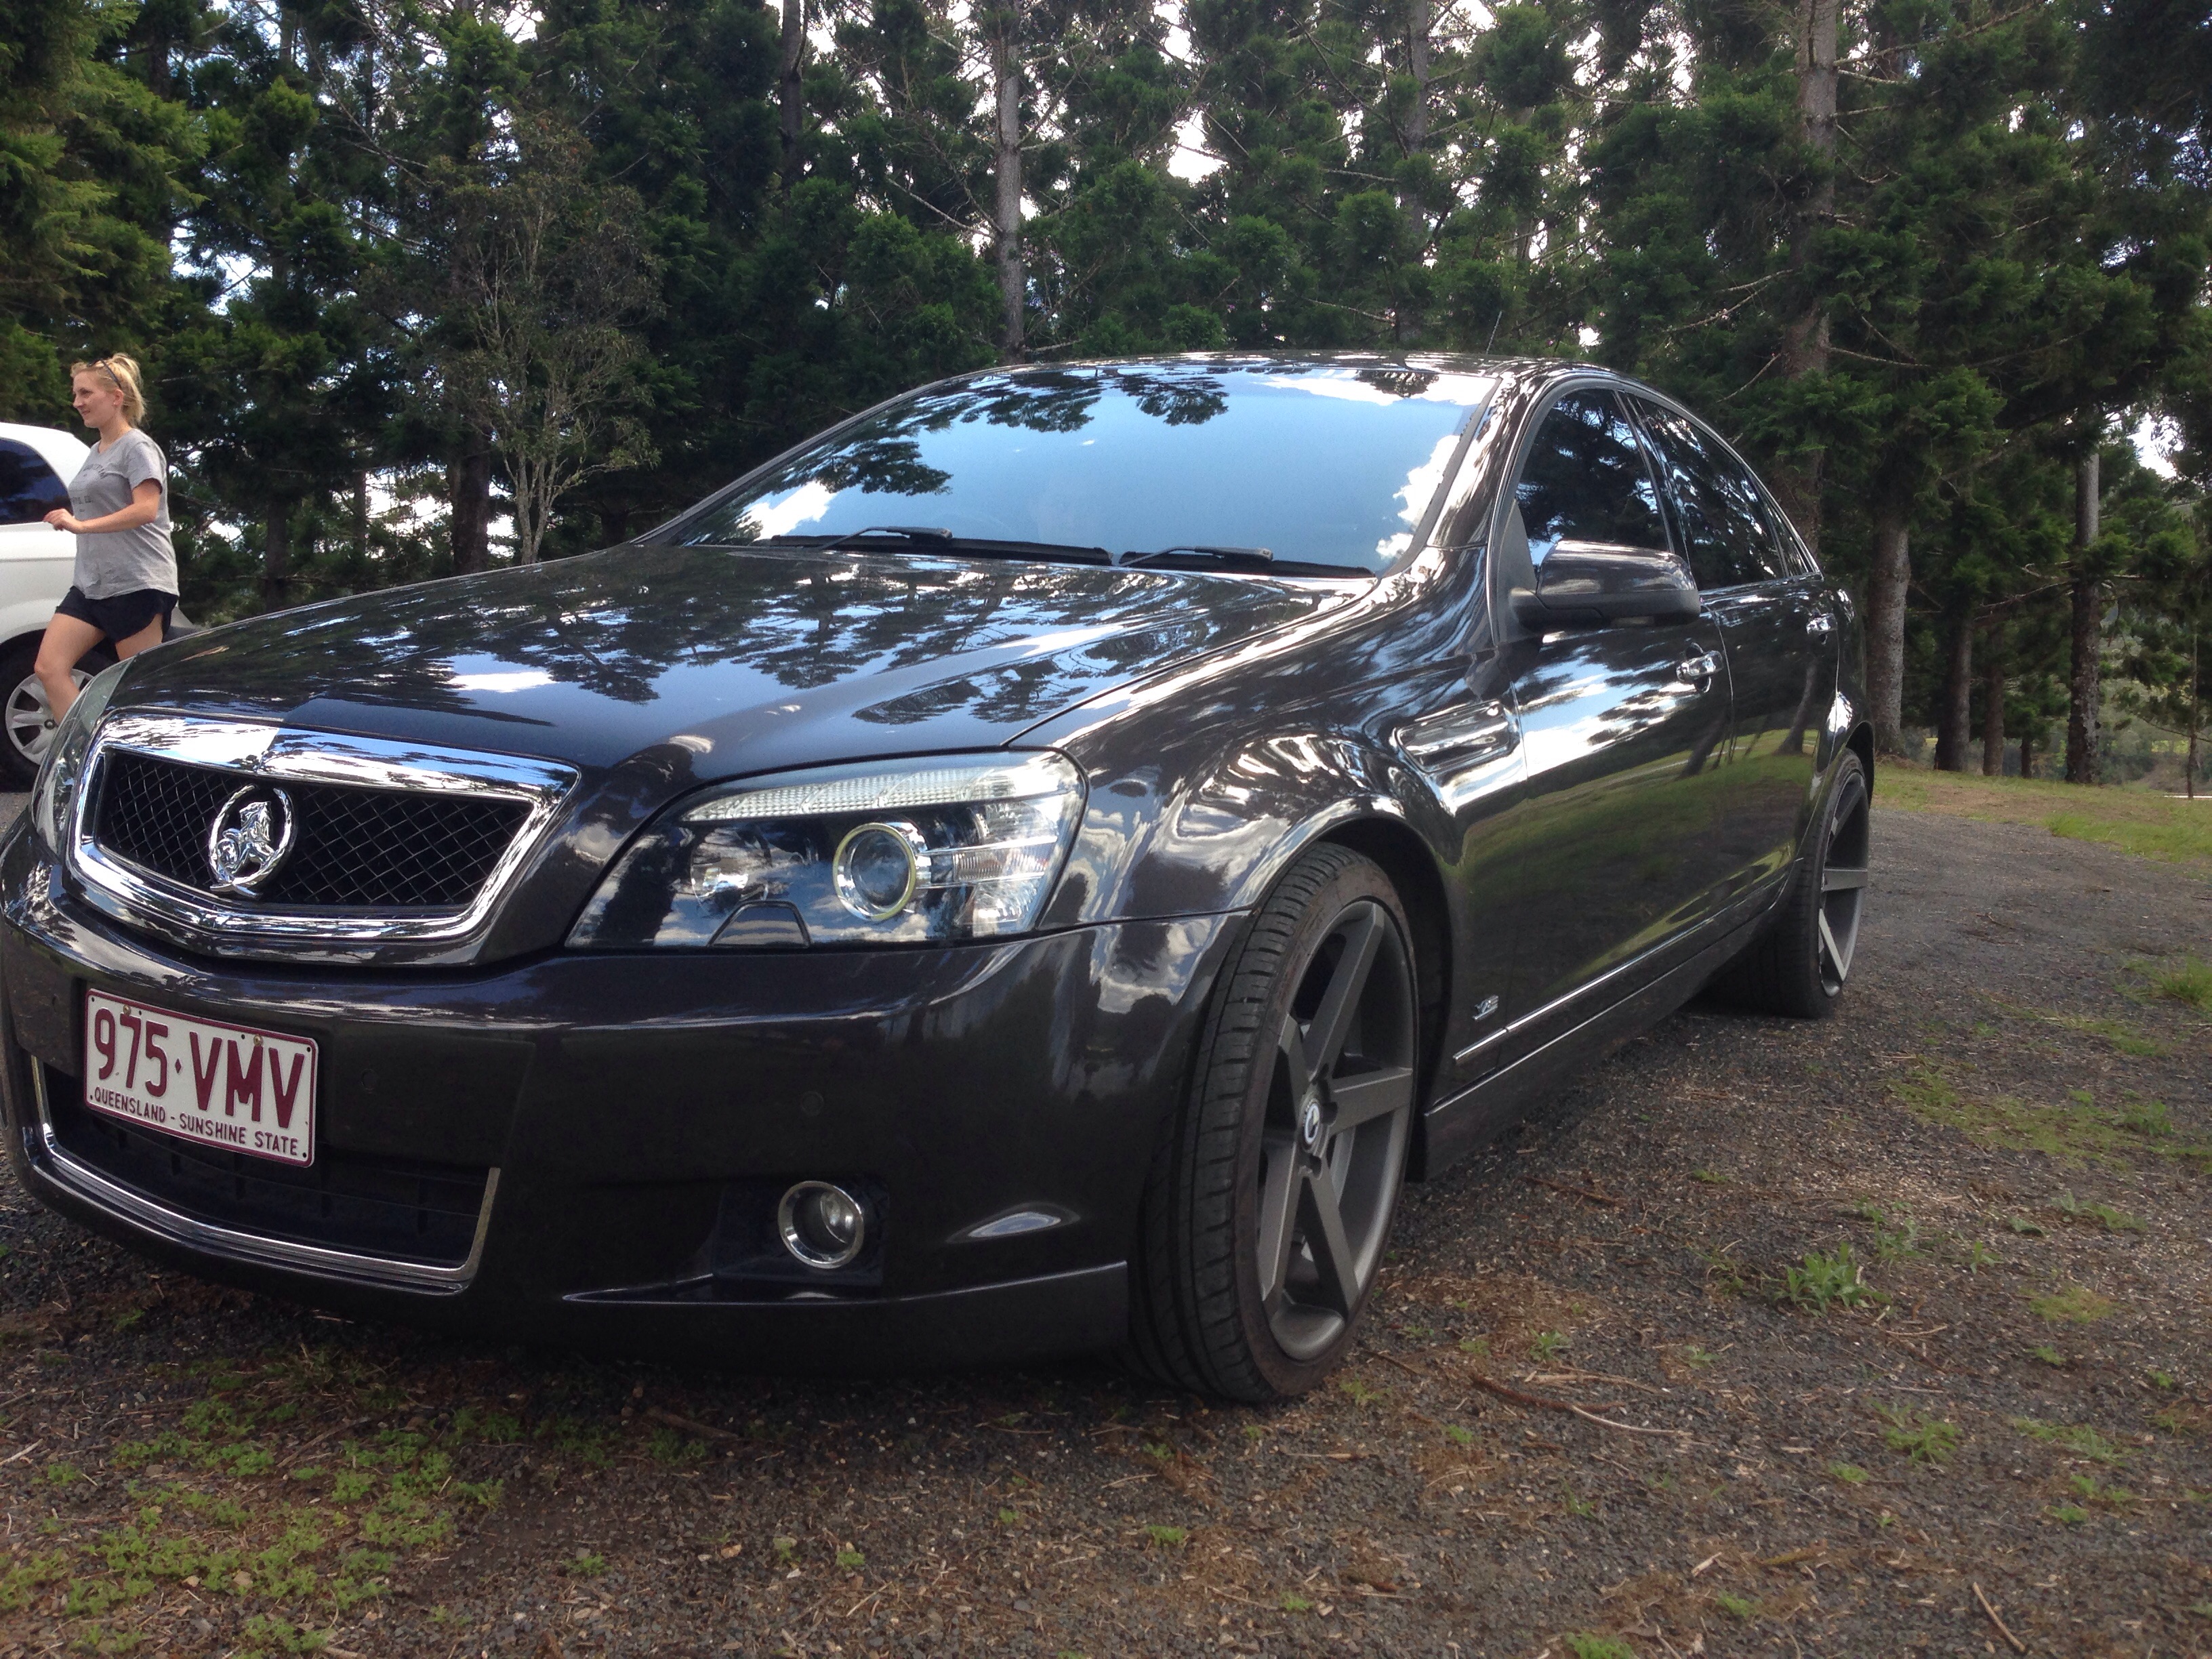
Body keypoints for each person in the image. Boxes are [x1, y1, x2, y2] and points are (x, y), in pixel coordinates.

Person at [37, 354, 179, 722]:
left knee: (136, 694)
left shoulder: (138, 447)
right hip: (90, 586)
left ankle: (144, 772)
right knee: (49, 668)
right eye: (75, 394)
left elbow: (146, 509)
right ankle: (80, 758)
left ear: (116, 397)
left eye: (86, 393)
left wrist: (82, 526)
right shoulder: (93, 453)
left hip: (136, 583)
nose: (77, 402)